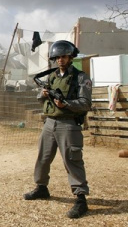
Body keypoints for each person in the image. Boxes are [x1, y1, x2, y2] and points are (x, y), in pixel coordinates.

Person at [23, 40, 92, 219]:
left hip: (68, 124)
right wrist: (43, 94)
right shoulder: (52, 77)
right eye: (57, 57)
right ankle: (41, 187)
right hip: (49, 122)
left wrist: (66, 104)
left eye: (64, 56)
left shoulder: (81, 77)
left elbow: (85, 103)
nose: (60, 60)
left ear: (70, 57)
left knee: (72, 160)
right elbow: (41, 99)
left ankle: (81, 199)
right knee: (43, 158)